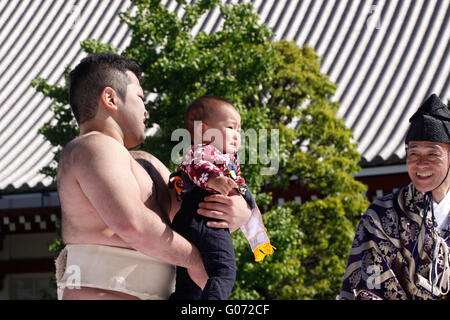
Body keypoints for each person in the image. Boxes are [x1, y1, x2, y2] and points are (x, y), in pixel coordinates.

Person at [55, 53, 251, 300]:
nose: (146, 110)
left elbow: (195, 213)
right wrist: (194, 261)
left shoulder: (148, 163)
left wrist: (238, 210)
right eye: (140, 97)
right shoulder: (90, 147)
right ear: (110, 98)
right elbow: (131, 224)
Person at [339, 93, 450, 300]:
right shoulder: (381, 216)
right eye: (413, 154)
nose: (421, 163)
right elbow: (366, 289)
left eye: (433, 154)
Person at [168, 96, 274, 300]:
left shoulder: (227, 161)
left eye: (239, 129)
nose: (238, 135)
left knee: (188, 284)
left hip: (194, 220)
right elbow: (197, 166)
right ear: (204, 131)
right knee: (223, 272)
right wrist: (215, 180)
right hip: (204, 220)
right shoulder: (204, 152)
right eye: (231, 128)